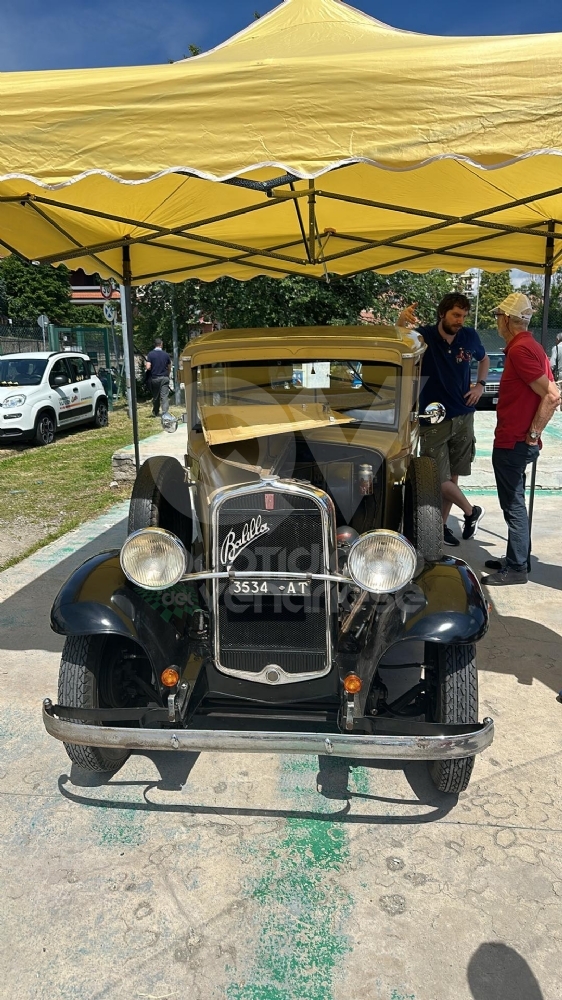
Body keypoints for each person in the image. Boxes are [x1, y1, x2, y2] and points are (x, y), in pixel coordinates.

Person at [481, 292, 560, 586]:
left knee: (513, 505)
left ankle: (516, 568)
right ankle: (518, 558)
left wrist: (533, 433)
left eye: (498, 316)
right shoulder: (532, 347)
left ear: (506, 319)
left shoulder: (520, 350)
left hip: (514, 441)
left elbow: (552, 395)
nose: (497, 322)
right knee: (515, 504)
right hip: (517, 441)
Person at [398, 293, 489, 546]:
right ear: (442, 313)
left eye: (463, 316)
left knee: (453, 477)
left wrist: (480, 385)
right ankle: (471, 511)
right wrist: (399, 321)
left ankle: (441, 527)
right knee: (437, 477)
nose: (460, 320)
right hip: (433, 418)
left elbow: (484, 359)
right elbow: (399, 344)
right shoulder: (423, 336)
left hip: (464, 415)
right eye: (455, 315)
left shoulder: (470, 336)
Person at [145, 338, 172, 417]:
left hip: (155, 378)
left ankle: (156, 411)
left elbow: (148, 367)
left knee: (156, 396)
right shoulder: (166, 355)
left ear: (155, 344)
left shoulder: (150, 354)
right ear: (161, 344)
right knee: (164, 397)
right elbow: (169, 367)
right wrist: (168, 374)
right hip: (164, 378)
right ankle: (165, 413)